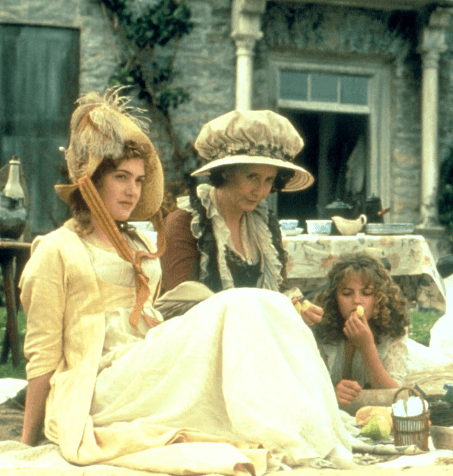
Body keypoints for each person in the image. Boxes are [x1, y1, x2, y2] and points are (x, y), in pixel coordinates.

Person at [20, 90, 354, 474]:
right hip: (99, 383)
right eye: (120, 178)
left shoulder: (139, 243)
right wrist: (29, 439)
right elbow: (42, 352)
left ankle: (314, 432)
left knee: (273, 305)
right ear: (92, 181)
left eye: (140, 180)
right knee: (241, 303)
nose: (133, 190)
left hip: (145, 364)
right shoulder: (57, 249)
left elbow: (156, 315)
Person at [160, 109, 323, 325]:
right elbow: (177, 309)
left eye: (268, 180)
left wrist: (294, 304)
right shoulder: (185, 223)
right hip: (201, 339)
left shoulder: (264, 226)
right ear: (226, 172)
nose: (261, 191)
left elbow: (275, 289)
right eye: (252, 176)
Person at [312, 252, 453, 406]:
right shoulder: (322, 328)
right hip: (406, 362)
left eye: (367, 292)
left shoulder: (390, 328)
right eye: (347, 293)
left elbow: (394, 395)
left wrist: (366, 345)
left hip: (423, 370)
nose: (357, 301)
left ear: (378, 296)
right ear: (335, 297)